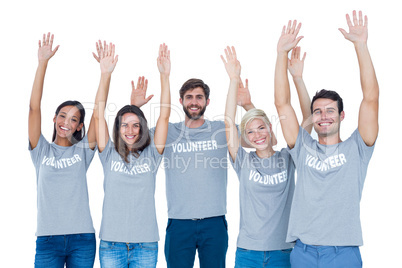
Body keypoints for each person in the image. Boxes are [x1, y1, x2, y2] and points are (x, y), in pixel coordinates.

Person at [274, 11, 379, 268]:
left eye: (330, 110)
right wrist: (280, 55)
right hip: (303, 253)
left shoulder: (358, 147)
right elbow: (282, 104)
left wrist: (361, 47)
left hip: (342, 254)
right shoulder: (302, 148)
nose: (324, 116)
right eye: (318, 111)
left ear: (342, 115)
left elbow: (371, 99)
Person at [132, 58, 259, 268]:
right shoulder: (168, 132)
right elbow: (133, 140)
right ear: (181, 101)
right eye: (189, 97)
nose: (194, 101)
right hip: (179, 223)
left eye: (199, 97)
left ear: (207, 102)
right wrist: (134, 107)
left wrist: (247, 105)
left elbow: (263, 138)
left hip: (214, 222)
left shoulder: (222, 130)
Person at [222, 45, 311, 268]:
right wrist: (233, 79)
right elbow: (227, 122)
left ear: (271, 127)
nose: (256, 135)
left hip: (283, 252)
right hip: (248, 252)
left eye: (261, 128)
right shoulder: (244, 161)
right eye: (250, 132)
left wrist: (298, 78)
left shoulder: (288, 158)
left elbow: (308, 120)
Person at [92, 41, 171, 268]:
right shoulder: (108, 154)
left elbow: (164, 117)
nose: (129, 130)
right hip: (111, 244)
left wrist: (164, 76)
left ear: (142, 128)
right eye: (124, 125)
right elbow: (98, 114)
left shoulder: (152, 155)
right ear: (117, 128)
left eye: (135, 125)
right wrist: (105, 74)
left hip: (145, 245)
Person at [29, 33, 97, 267]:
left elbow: (99, 114)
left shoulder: (83, 151)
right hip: (48, 241)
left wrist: (105, 75)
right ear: (55, 118)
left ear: (79, 126)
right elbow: (33, 108)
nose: (66, 122)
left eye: (73, 119)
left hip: (82, 240)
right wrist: (42, 63)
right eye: (62, 115)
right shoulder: (41, 150)